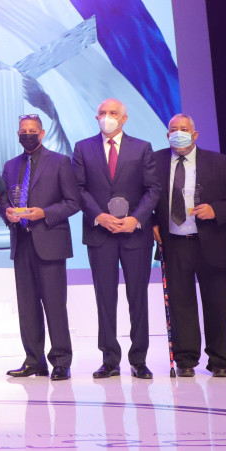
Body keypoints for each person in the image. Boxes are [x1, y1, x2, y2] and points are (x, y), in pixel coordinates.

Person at [72, 98, 161, 379]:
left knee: (138, 297)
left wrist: (136, 219)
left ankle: (139, 359)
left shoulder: (142, 147)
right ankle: (109, 359)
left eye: (112, 113)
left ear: (124, 118)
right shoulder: (83, 148)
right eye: (102, 112)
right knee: (105, 297)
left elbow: (153, 189)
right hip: (101, 233)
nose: (106, 117)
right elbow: (78, 188)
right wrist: (99, 216)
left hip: (135, 233)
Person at [153, 114, 226, 377]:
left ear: (195, 135)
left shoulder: (219, 162)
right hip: (175, 243)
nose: (178, 133)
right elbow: (146, 197)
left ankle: (220, 361)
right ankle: (185, 360)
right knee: (180, 304)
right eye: (173, 129)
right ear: (167, 135)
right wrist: (152, 223)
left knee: (217, 303)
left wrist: (216, 210)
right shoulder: (155, 161)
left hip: (212, 241)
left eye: (184, 129)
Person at [0, 115, 81, 381]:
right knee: (27, 307)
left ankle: (61, 362)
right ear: (18, 134)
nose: (27, 134)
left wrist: (43, 213)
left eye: (32, 131)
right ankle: (34, 360)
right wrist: (7, 213)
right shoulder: (11, 165)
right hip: (22, 243)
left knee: (55, 305)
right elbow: (3, 200)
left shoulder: (60, 162)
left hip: (50, 243)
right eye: (23, 131)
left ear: (42, 133)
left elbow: (73, 202)